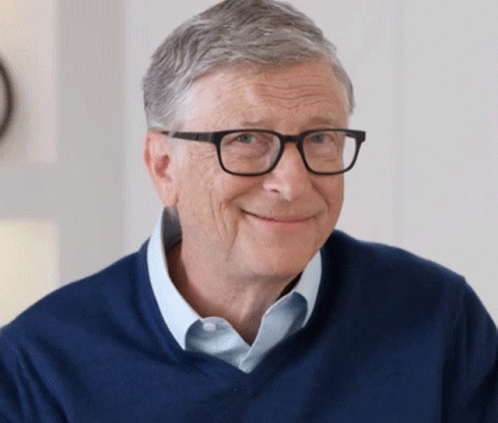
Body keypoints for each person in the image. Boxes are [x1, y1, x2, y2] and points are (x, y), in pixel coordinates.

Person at [1, 0, 497, 421]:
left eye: (320, 138)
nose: (292, 182)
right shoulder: (37, 369)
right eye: (245, 140)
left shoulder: (438, 323)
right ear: (163, 166)